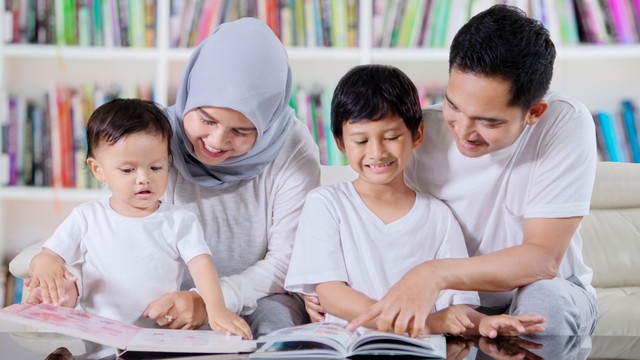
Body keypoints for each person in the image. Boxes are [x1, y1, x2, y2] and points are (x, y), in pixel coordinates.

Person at [342, 5, 598, 336]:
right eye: (453, 105)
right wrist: (325, 286)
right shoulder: (419, 131)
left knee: (544, 304)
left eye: (487, 121)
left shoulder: (564, 123)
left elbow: (542, 260)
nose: (463, 131)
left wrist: (433, 274)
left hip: (543, 289)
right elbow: (364, 213)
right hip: (451, 302)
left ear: (533, 111)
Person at [285, 64, 544, 338]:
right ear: (340, 143)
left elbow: (457, 308)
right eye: (360, 141)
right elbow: (330, 294)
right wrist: (421, 323)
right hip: (347, 346)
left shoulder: (438, 216)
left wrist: (483, 323)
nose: (377, 152)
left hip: (418, 349)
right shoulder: (326, 204)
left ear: (416, 135)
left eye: (392, 137)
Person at [138, 17, 321, 336]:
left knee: (276, 330)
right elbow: (128, 231)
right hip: (166, 298)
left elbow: (286, 261)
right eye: (206, 119)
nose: (217, 141)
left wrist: (208, 300)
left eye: (241, 131)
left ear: (267, 123)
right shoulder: (155, 136)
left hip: (258, 297)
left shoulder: (292, 147)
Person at [27, 99, 252, 341]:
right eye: (128, 170)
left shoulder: (179, 221)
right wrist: (46, 266)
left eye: (156, 167)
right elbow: (48, 256)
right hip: (97, 337)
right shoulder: (87, 216)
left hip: (158, 338)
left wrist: (215, 309)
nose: (143, 179)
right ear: (98, 169)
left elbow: (202, 266)